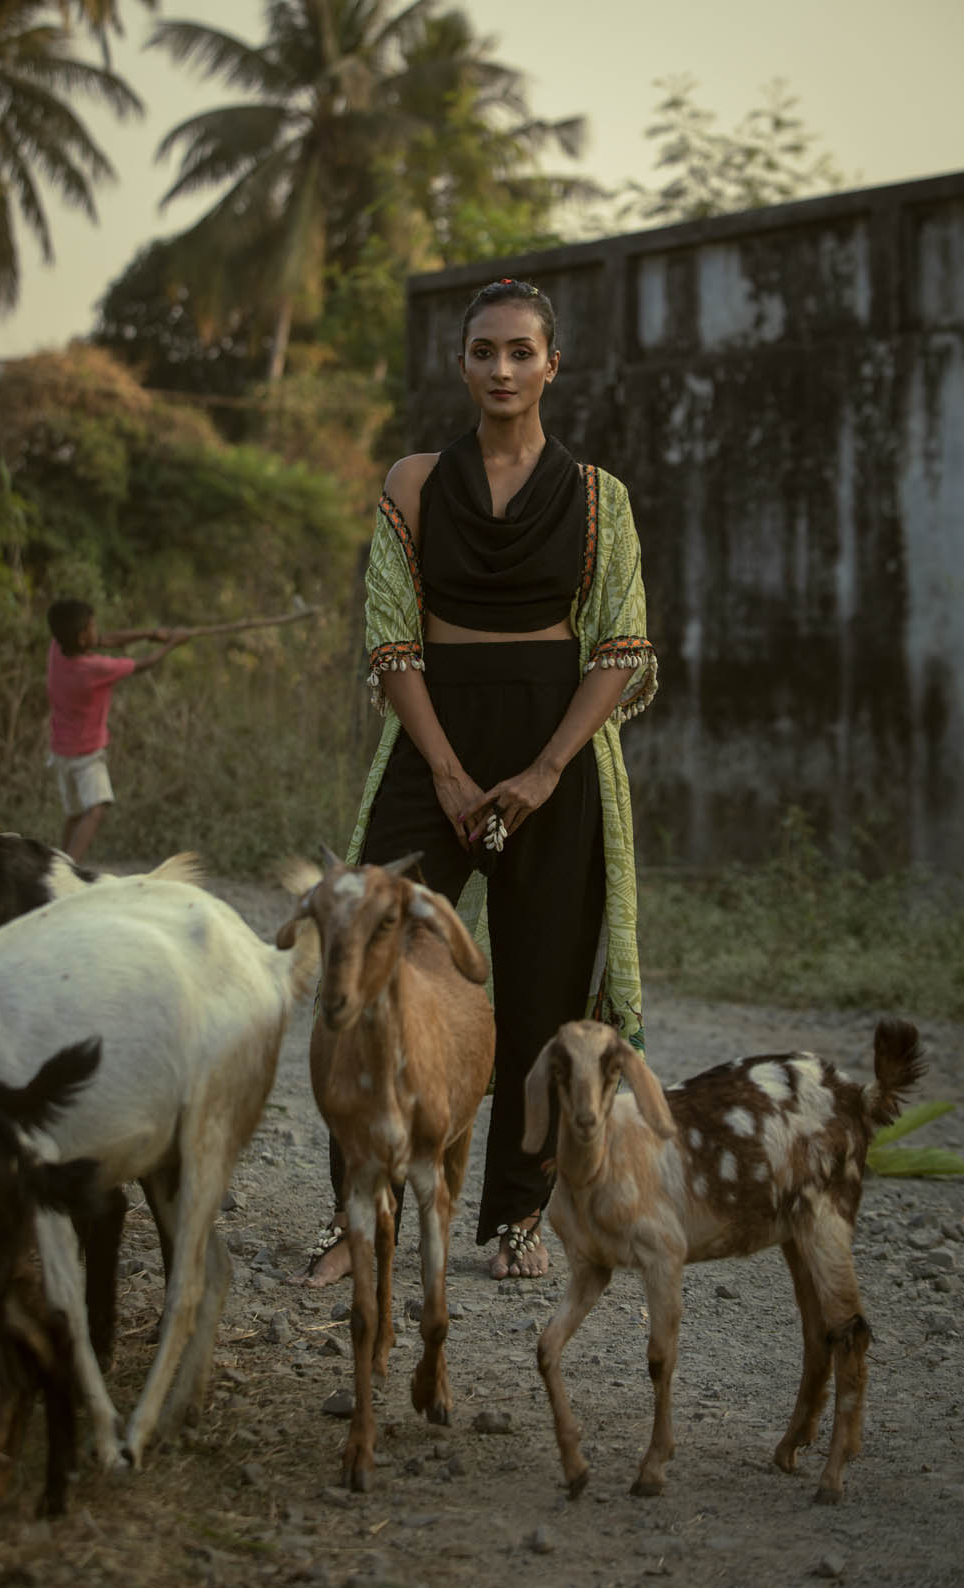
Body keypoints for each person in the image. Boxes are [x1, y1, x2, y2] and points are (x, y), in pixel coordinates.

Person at [304, 277, 657, 1285]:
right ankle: (356, 1211)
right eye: (482, 351)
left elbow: (621, 649)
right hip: (434, 745)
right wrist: (449, 774)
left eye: (519, 351)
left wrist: (544, 771)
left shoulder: (597, 498)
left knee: (542, 990)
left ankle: (513, 1219)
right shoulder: (412, 483)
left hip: (551, 755)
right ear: (458, 364)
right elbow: (390, 642)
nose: (500, 369)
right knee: (371, 966)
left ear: (552, 364)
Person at [45, 599, 188, 862]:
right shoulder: (93, 669)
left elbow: (105, 639)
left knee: (75, 815)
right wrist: (171, 645)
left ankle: (56, 866)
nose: (96, 630)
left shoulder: (57, 648)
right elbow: (141, 665)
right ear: (81, 637)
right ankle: (69, 870)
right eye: (92, 626)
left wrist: (151, 634)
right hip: (86, 755)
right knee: (97, 810)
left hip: (61, 752)